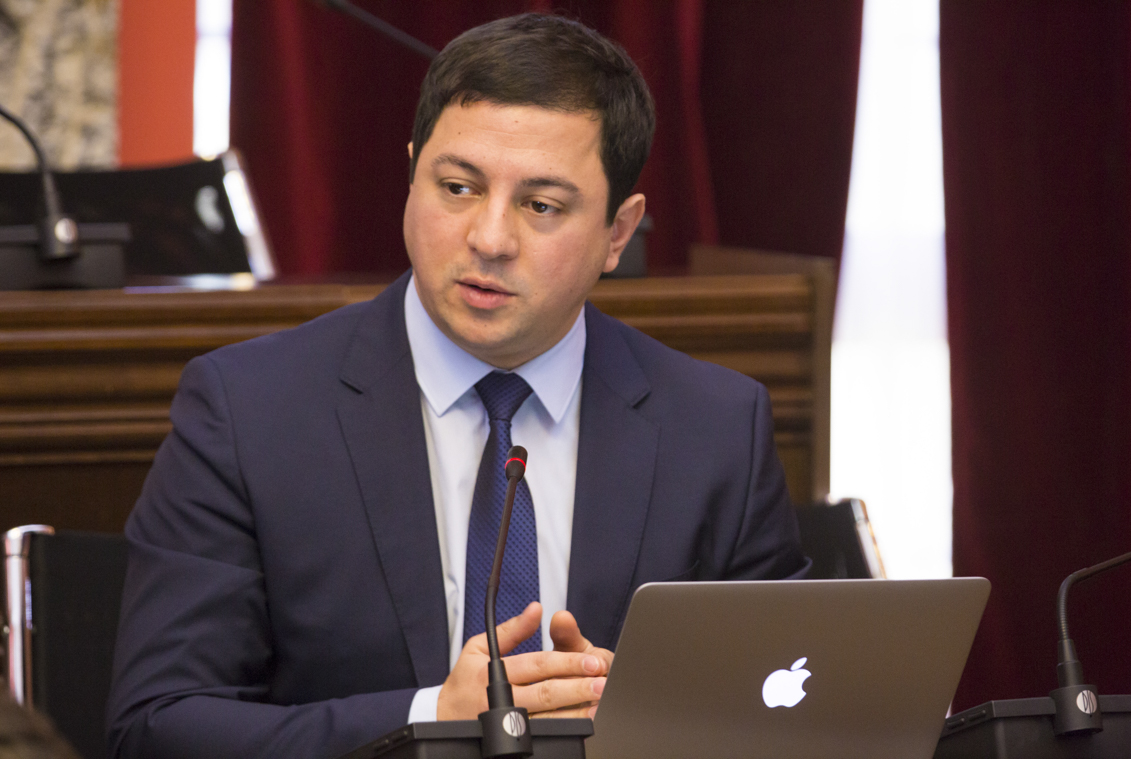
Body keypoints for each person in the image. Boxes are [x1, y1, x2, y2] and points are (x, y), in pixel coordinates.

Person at [107, 13, 809, 759]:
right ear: (412, 176)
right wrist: (431, 715)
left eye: (541, 205)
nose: (489, 238)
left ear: (617, 232)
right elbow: (157, 727)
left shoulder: (715, 428)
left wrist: (647, 717)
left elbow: (791, 707)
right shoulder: (249, 412)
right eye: (458, 187)